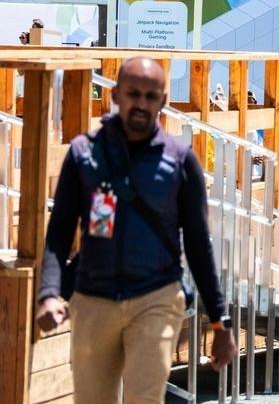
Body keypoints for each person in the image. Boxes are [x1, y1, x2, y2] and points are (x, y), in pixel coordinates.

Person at [36, 57, 236, 402]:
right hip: (93, 300)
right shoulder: (84, 154)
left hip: (156, 297)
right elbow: (58, 233)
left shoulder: (180, 160)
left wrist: (220, 321)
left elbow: (199, 244)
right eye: (133, 94)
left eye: (151, 96)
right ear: (116, 95)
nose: (141, 103)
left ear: (162, 101)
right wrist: (49, 293)